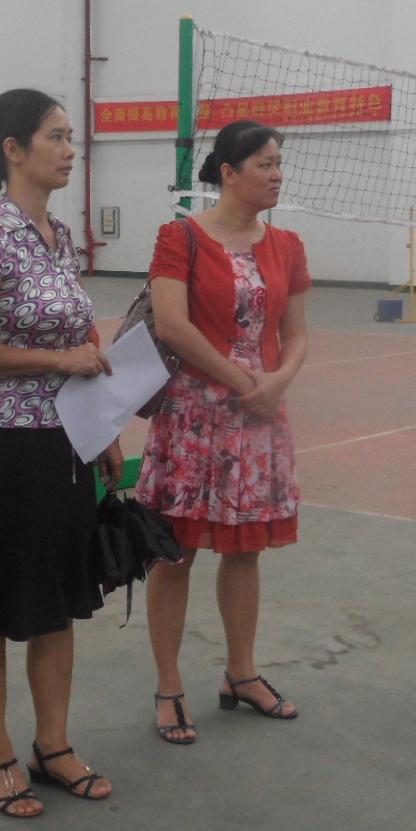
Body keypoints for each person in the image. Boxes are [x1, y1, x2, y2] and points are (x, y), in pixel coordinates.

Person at [0, 89, 123, 819]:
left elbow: (81, 346)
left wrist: (104, 429)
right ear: (13, 150)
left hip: (67, 441)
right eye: (55, 137)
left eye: (71, 137)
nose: (69, 150)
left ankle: (53, 745)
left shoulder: (59, 237)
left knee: (56, 601)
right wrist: (58, 361)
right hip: (8, 448)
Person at [140, 119, 312, 743]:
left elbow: (296, 333)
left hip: (259, 420)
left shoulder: (287, 244)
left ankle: (241, 673)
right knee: (175, 553)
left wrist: (278, 382)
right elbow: (172, 325)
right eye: (265, 164)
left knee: (245, 551)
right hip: (192, 419)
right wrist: (246, 383)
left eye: (279, 163)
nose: (277, 174)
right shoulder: (180, 236)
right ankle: (169, 685)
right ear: (230, 173)